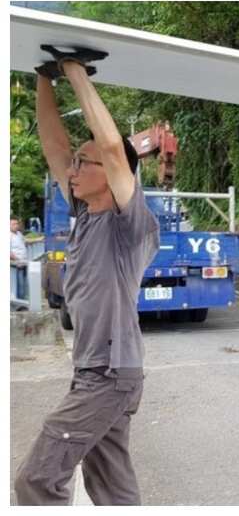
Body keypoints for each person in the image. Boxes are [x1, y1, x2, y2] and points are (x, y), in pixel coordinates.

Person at [15, 51, 159, 505]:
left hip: (110, 373)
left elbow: (115, 148)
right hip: (94, 372)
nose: (72, 171)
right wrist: (44, 78)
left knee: (36, 480)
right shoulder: (86, 215)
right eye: (75, 164)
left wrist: (75, 72)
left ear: (118, 177)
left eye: (84, 163)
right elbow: (54, 147)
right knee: (111, 487)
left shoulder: (130, 225)